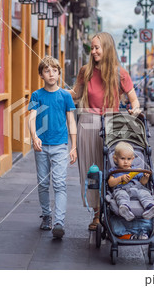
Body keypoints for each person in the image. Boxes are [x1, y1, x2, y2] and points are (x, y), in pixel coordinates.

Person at [68, 32, 141, 231]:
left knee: (111, 167)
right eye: (91, 48)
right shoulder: (86, 71)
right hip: (88, 123)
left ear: (107, 48)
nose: (93, 51)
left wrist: (135, 109)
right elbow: (75, 94)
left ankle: (114, 209)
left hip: (113, 125)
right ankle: (97, 214)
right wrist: (56, 91)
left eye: (97, 48)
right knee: (92, 170)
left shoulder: (120, 73)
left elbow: (134, 99)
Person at [28, 56, 77, 239]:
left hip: (60, 145)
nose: (51, 74)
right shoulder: (36, 95)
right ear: (41, 74)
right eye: (47, 70)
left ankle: (59, 222)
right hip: (41, 146)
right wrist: (34, 136)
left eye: (54, 70)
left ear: (58, 73)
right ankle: (47, 216)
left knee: (59, 183)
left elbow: (71, 121)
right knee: (42, 183)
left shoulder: (65, 95)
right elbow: (32, 117)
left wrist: (74, 146)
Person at [108, 142, 154, 226]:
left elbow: (142, 183)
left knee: (145, 193)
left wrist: (145, 177)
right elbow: (110, 183)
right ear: (115, 159)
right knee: (121, 195)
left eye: (128, 159)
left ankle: (149, 207)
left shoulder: (135, 170)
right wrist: (120, 178)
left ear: (132, 159)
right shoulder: (114, 171)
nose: (126, 162)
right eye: (122, 158)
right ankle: (125, 208)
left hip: (137, 189)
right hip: (121, 189)